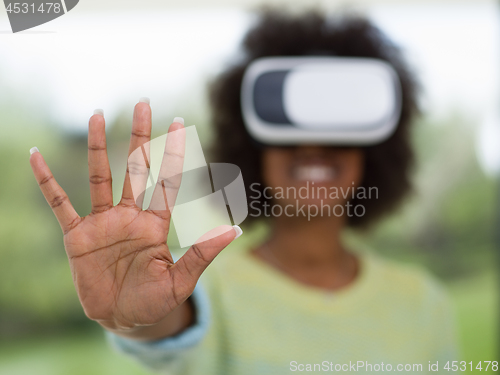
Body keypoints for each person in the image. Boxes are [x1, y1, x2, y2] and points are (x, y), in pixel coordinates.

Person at [29, 9, 457, 375]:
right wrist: (136, 320)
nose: (312, 145)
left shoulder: (426, 304)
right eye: (287, 121)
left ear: (376, 149)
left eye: (336, 119)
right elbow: (169, 324)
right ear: (251, 148)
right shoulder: (205, 288)